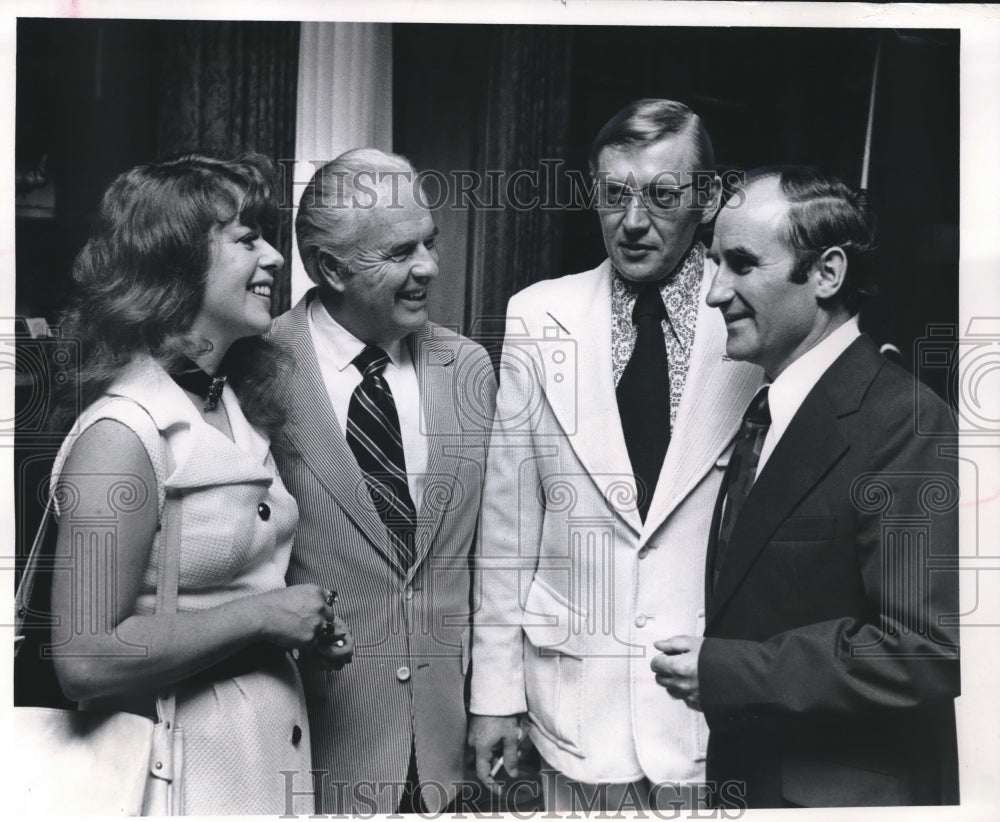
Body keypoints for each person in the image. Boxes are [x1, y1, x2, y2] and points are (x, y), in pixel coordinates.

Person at [469, 99, 762, 811]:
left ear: (709, 198)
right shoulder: (539, 316)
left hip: (705, 716)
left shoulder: (757, 326)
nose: (633, 222)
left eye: (662, 196)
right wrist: (494, 696)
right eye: (613, 195)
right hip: (571, 708)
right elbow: (509, 522)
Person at [46, 154, 354, 816]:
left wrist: (293, 630)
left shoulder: (232, 406)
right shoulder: (124, 433)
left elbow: (223, 592)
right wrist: (265, 618)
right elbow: (85, 657)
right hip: (179, 780)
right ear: (176, 259)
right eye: (247, 240)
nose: (275, 258)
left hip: (260, 764)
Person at [651, 167, 960, 807]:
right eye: (714, 263)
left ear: (827, 274)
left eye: (741, 264)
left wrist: (729, 670)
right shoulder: (768, 411)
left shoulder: (904, 420)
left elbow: (923, 650)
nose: (714, 293)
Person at [270, 148, 497, 814]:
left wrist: (493, 703)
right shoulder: (257, 374)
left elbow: (494, 557)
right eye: (400, 253)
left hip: (447, 760)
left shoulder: (470, 369)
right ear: (331, 269)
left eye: (430, 242)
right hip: (313, 750)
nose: (428, 267)